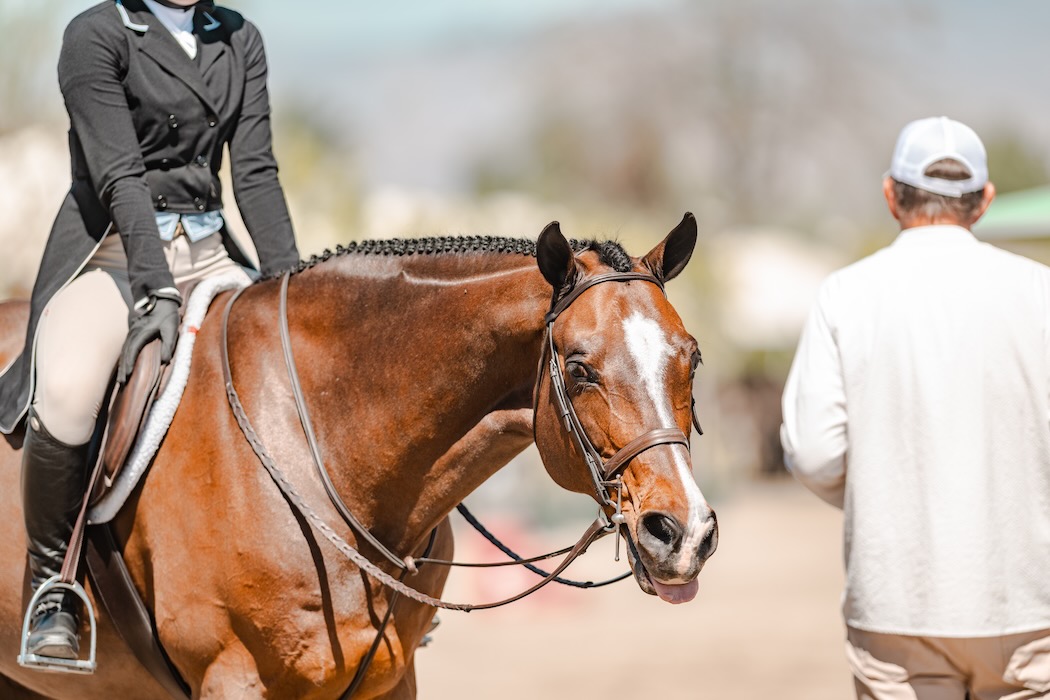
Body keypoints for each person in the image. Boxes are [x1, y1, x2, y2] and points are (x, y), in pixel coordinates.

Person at [0, 0, 299, 662]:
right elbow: (119, 177)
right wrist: (156, 284)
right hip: (113, 250)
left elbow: (255, 172)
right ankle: (52, 589)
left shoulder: (238, 37)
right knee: (69, 390)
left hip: (212, 252)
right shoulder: (96, 34)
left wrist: (290, 287)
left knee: (301, 368)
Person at [781, 116, 1050, 699]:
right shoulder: (1040, 291)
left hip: (896, 602)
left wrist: (882, 496)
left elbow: (813, 453)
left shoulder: (845, 294)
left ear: (890, 194)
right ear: (984, 201)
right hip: (1031, 602)